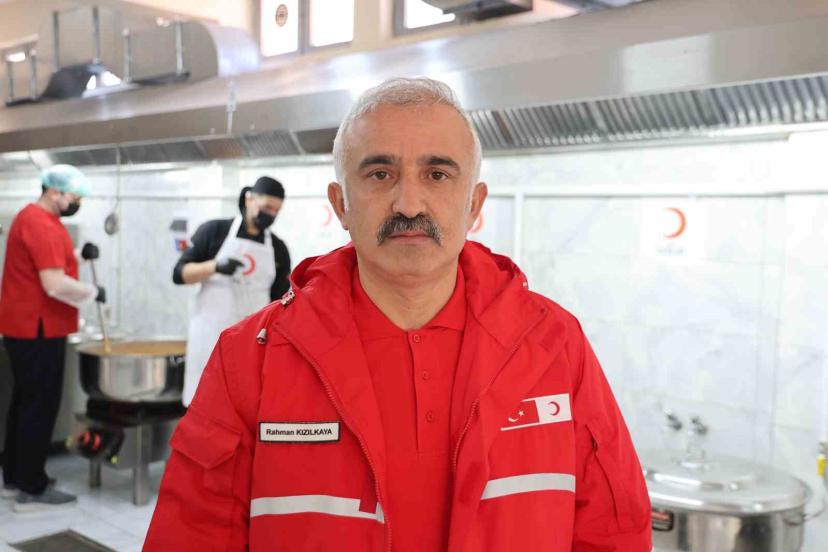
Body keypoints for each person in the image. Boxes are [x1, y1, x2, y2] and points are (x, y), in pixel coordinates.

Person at [146, 78, 651, 551]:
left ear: (474, 204)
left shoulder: (553, 344)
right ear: (341, 205)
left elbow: (613, 533)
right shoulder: (248, 358)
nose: (409, 203)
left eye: (437, 174)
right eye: (380, 174)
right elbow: (192, 536)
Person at [0, 165, 105, 512]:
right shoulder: (41, 224)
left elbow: (49, 263)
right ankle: (32, 488)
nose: (76, 204)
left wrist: (79, 255)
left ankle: (15, 478)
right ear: (53, 192)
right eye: (74, 197)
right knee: (39, 407)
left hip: (26, 328)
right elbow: (54, 283)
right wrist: (93, 292)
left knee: (24, 404)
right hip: (38, 328)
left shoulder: (36, 219)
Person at [172, 177, 290, 405]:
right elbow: (179, 274)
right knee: (205, 406)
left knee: (245, 406)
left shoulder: (278, 248)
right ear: (249, 199)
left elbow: (281, 301)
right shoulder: (214, 231)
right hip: (210, 340)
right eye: (267, 207)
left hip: (252, 346)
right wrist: (215, 267)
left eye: (276, 211)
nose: (271, 214)